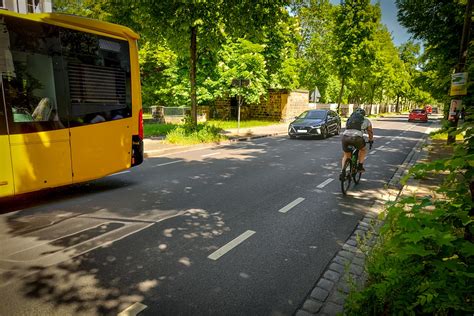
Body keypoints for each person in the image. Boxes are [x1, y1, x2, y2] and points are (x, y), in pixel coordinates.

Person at [340, 108, 374, 176]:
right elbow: (370, 133)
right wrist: (370, 140)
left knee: (346, 154)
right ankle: (360, 166)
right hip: (357, 138)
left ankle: (343, 171)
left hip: (345, 137)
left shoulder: (349, 119)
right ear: (363, 115)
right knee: (363, 149)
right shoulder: (367, 121)